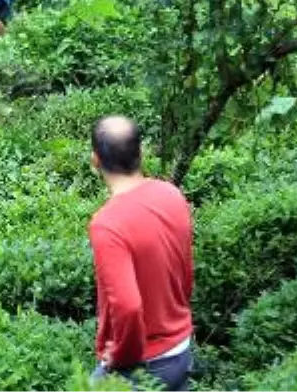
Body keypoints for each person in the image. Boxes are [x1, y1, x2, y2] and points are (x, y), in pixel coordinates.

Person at [87, 116, 194, 391]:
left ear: (95, 160)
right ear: (141, 152)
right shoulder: (171, 194)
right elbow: (185, 274)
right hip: (181, 349)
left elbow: (127, 306)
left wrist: (121, 356)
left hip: (142, 365)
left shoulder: (107, 224)